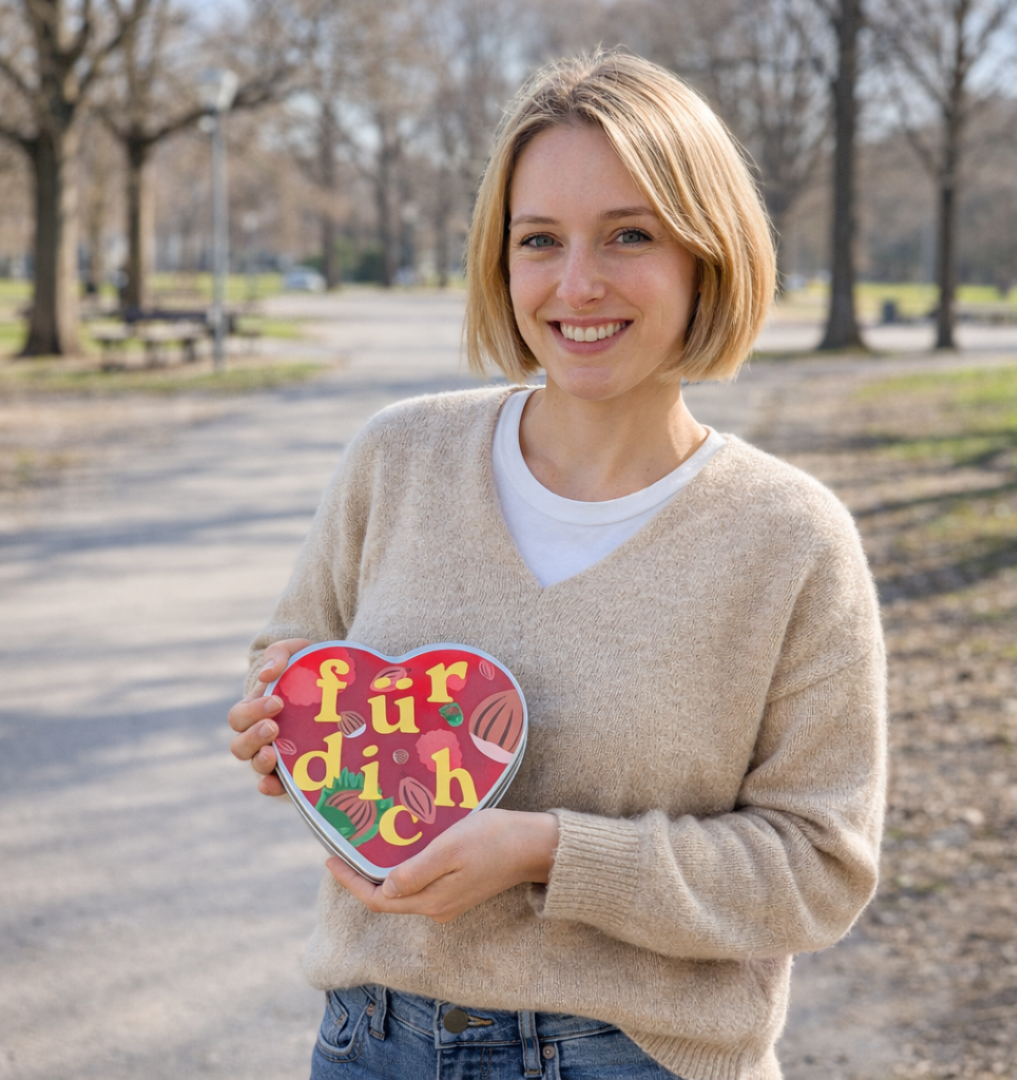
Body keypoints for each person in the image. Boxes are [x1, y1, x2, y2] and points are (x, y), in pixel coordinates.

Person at [229, 50, 887, 1080]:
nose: (577, 285)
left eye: (629, 234)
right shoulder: (397, 458)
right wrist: (282, 727)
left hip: (640, 1059)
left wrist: (549, 854)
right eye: (540, 240)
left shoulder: (789, 538)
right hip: (373, 1042)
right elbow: (299, 658)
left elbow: (819, 872)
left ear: (707, 255)